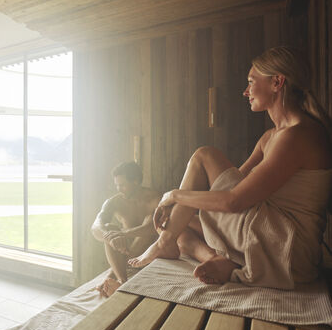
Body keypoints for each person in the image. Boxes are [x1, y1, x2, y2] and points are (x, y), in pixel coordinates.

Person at [129, 46, 332, 290]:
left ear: (277, 82)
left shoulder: (298, 136)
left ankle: (166, 243)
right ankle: (210, 257)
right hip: (266, 234)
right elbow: (234, 183)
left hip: (287, 248)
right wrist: (180, 213)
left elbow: (233, 201)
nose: (245, 91)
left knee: (204, 156)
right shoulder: (270, 137)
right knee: (178, 227)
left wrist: (174, 195)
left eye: (251, 81)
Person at [91, 161, 161, 297]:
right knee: (109, 228)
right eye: (117, 185)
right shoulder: (114, 202)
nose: (118, 188)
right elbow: (95, 226)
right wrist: (110, 237)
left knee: (149, 221)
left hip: (149, 249)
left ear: (135, 182)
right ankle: (122, 280)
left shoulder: (154, 198)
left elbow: (154, 228)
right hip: (124, 247)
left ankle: (112, 273)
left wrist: (123, 232)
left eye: (122, 185)